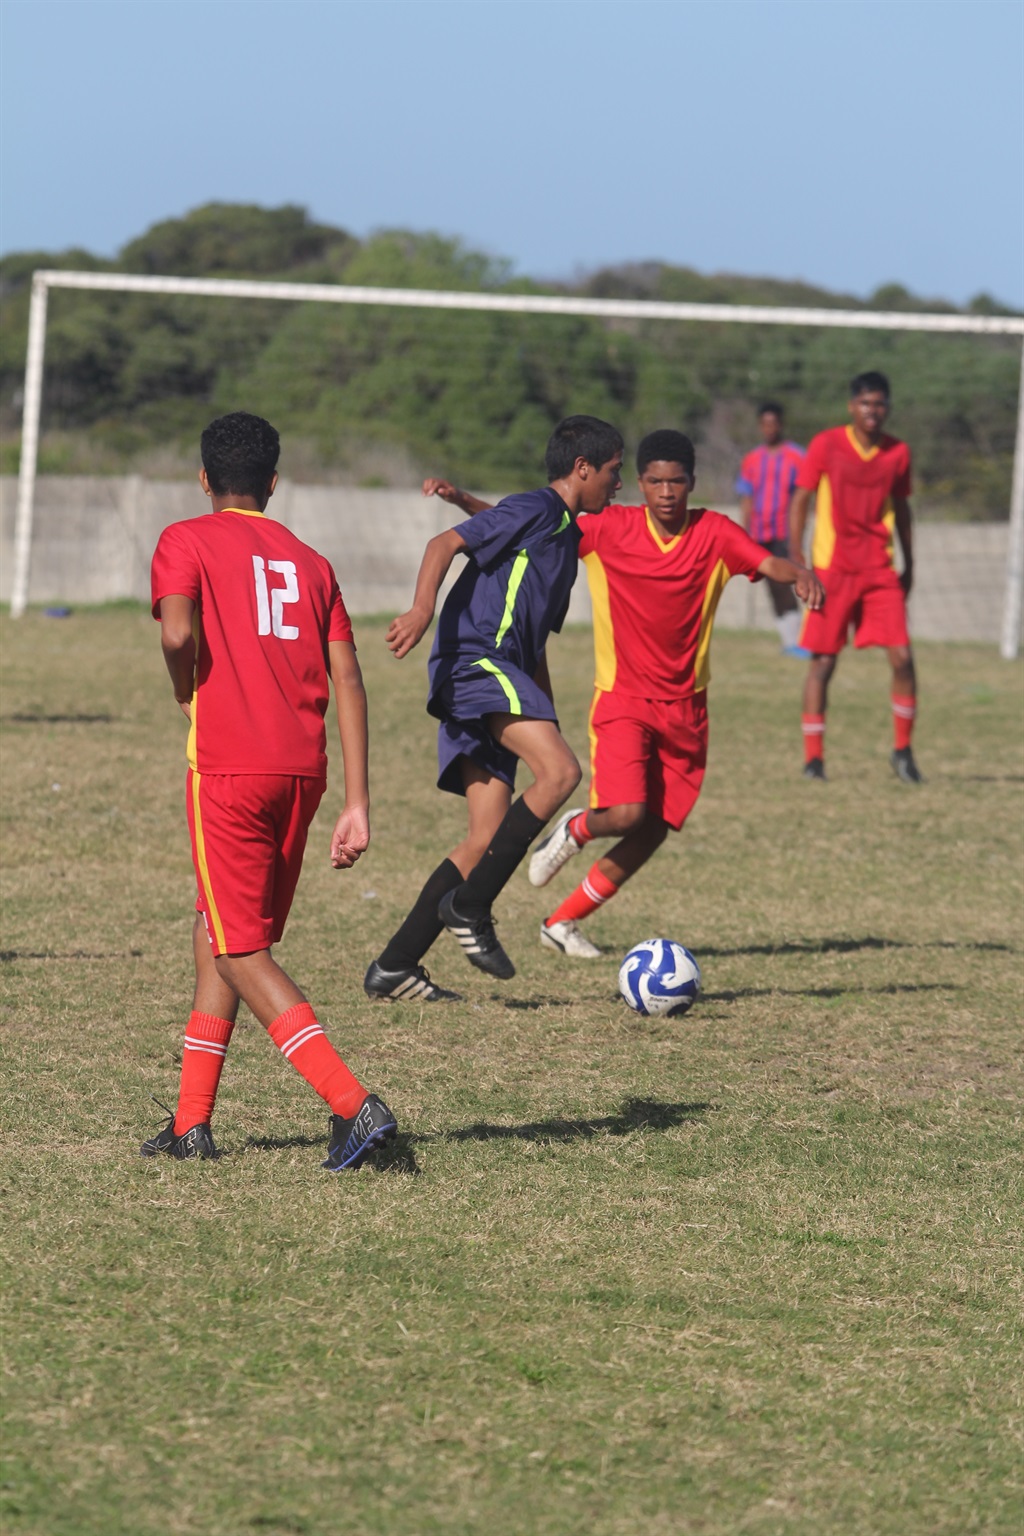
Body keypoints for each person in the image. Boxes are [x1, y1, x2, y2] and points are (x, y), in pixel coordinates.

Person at [422, 430, 823, 959]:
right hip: (623, 700)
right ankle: (578, 824)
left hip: (688, 707)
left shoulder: (716, 532)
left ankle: (562, 922)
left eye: (676, 482)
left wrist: (800, 574)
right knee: (628, 813)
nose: (665, 492)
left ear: (692, 483)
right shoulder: (611, 527)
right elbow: (537, 523)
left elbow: (769, 563)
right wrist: (467, 503)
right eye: (654, 482)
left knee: (653, 828)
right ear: (639, 484)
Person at [143, 411, 396, 1170]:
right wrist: (358, 800)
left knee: (241, 947)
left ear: (203, 478)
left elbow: (178, 635)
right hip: (303, 772)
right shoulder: (312, 561)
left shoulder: (183, 539)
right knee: (214, 930)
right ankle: (192, 1123)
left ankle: (355, 1106)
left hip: (227, 767)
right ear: (273, 483)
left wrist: (184, 689)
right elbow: (348, 676)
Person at [363, 415, 624, 999]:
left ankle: (395, 965)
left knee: (483, 838)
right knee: (560, 774)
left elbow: (535, 646)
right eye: (614, 470)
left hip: (501, 674)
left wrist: (546, 714)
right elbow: (444, 543)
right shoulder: (539, 506)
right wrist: (421, 608)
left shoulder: (561, 535)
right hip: (477, 663)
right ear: (582, 469)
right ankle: (472, 907)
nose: (619, 482)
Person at [789, 371, 922, 784]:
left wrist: (910, 561)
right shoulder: (826, 444)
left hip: (878, 568)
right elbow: (802, 499)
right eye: (865, 403)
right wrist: (798, 558)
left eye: (880, 404)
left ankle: (902, 751)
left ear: (887, 408)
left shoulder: (898, 451)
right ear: (852, 407)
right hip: (832, 569)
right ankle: (814, 759)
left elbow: (901, 509)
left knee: (902, 657)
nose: (873, 411)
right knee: (824, 663)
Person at [736, 403, 808, 656]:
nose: (769, 429)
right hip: (759, 533)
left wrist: (798, 533)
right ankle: (789, 641)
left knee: (791, 581)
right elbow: (746, 497)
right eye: (764, 424)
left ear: (781, 425)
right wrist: (743, 534)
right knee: (773, 586)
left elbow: (804, 495)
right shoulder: (752, 459)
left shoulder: (797, 456)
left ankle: (801, 639)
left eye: (773, 423)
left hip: (784, 532)